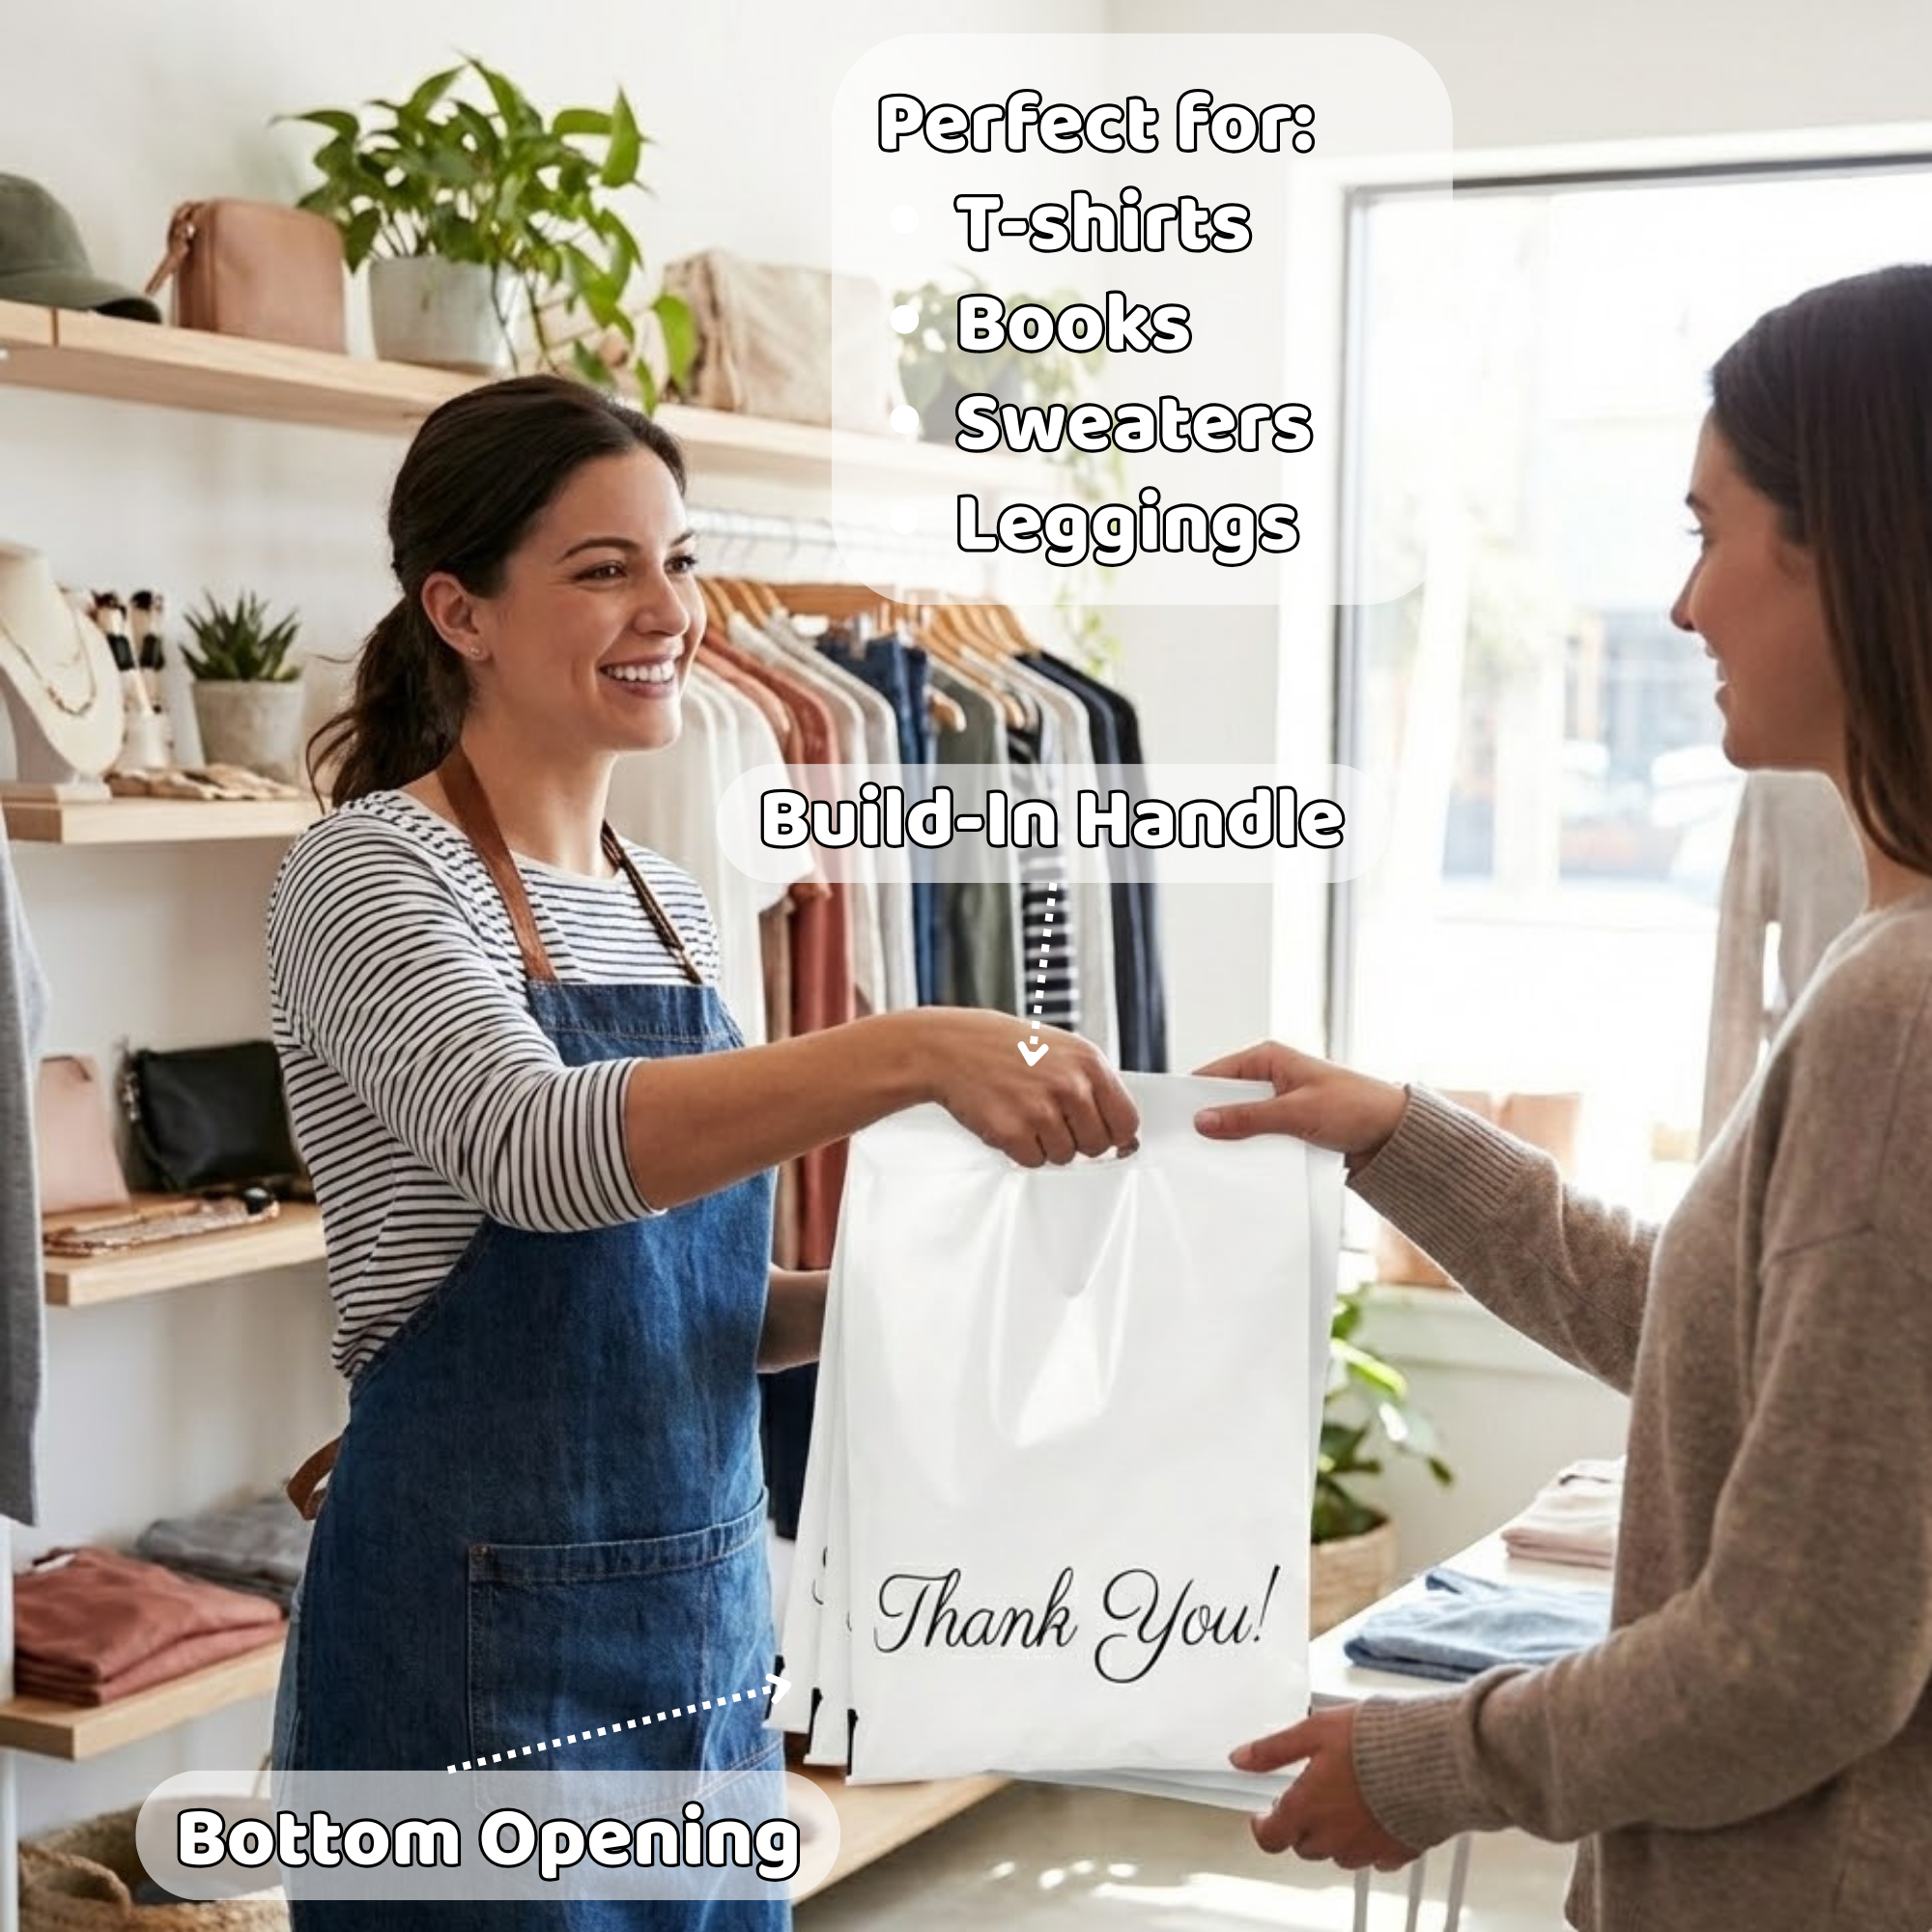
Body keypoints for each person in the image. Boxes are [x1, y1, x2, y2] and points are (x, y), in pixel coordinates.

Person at [265, 373, 1139, 1926]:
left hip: (705, 1638)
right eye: (605, 569)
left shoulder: (661, 893)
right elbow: (538, 1154)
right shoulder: (367, 870)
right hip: (476, 1656)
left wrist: (896, 1292)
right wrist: (915, 1046)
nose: (669, 607)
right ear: (459, 612)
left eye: (677, 558)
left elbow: (693, 1298)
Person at [1194, 265, 1932, 1931]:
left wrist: (1437, 1759)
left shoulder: (1903, 1010)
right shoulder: (1892, 968)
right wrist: (1399, 1134)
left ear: (1856, 548)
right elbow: (1719, 1333)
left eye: (1705, 530)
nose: (1681, 609)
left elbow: (1796, 1658)